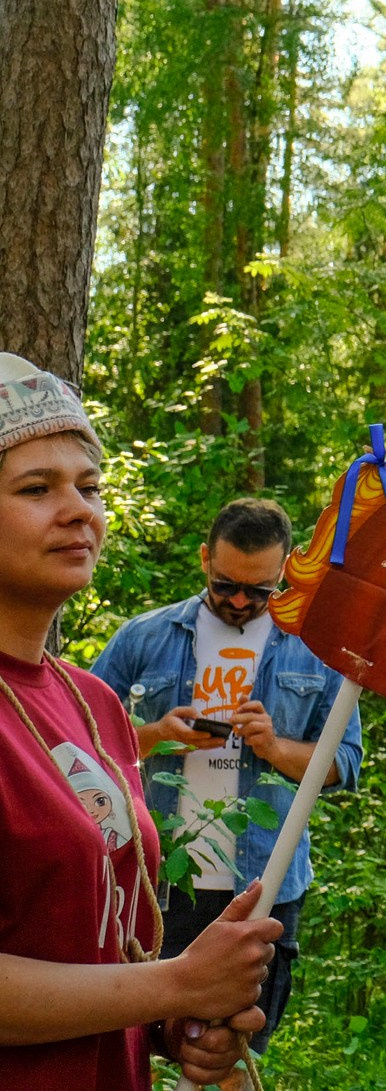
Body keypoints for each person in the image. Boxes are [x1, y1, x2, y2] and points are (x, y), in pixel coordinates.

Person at [0, 352, 275, 1089]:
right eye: (36, 487)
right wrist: (176, 986)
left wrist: (171, 1027)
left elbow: (102, 943)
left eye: (89, 486)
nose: (78, 509)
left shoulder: (94, 705)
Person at [92, 494, 365, 1070]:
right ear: (203, 561)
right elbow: (75, 744)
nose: (240, 600)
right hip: (161, 878)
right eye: (225, 585)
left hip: (264, 883)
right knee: (138, 1048)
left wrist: (274, 747)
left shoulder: (317, 649)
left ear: (285, 573)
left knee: (232, 1060)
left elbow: (345, 763)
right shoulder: (143, 638)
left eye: (259, 591)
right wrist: (156, 736)